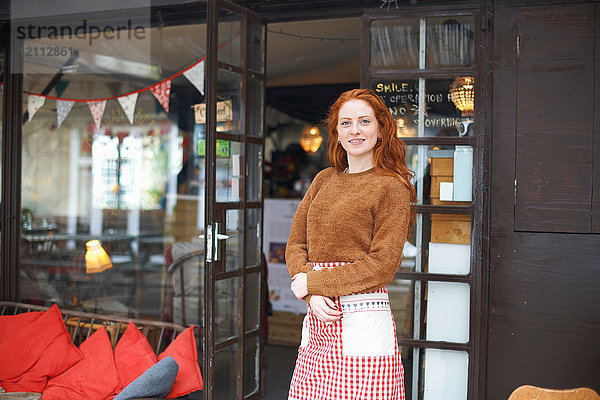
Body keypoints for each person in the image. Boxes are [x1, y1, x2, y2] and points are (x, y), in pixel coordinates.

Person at [285, 88, 416, 400]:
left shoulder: (392, 188)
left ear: (381, 129)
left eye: (364, 121)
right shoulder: (323, 179)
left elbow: (382, 265)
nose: (355, 130)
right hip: (319, 318)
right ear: (337, 134)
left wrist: (313, 283)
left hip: (363, 318)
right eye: (346, 123)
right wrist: (312, 292)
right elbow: (295, 243)